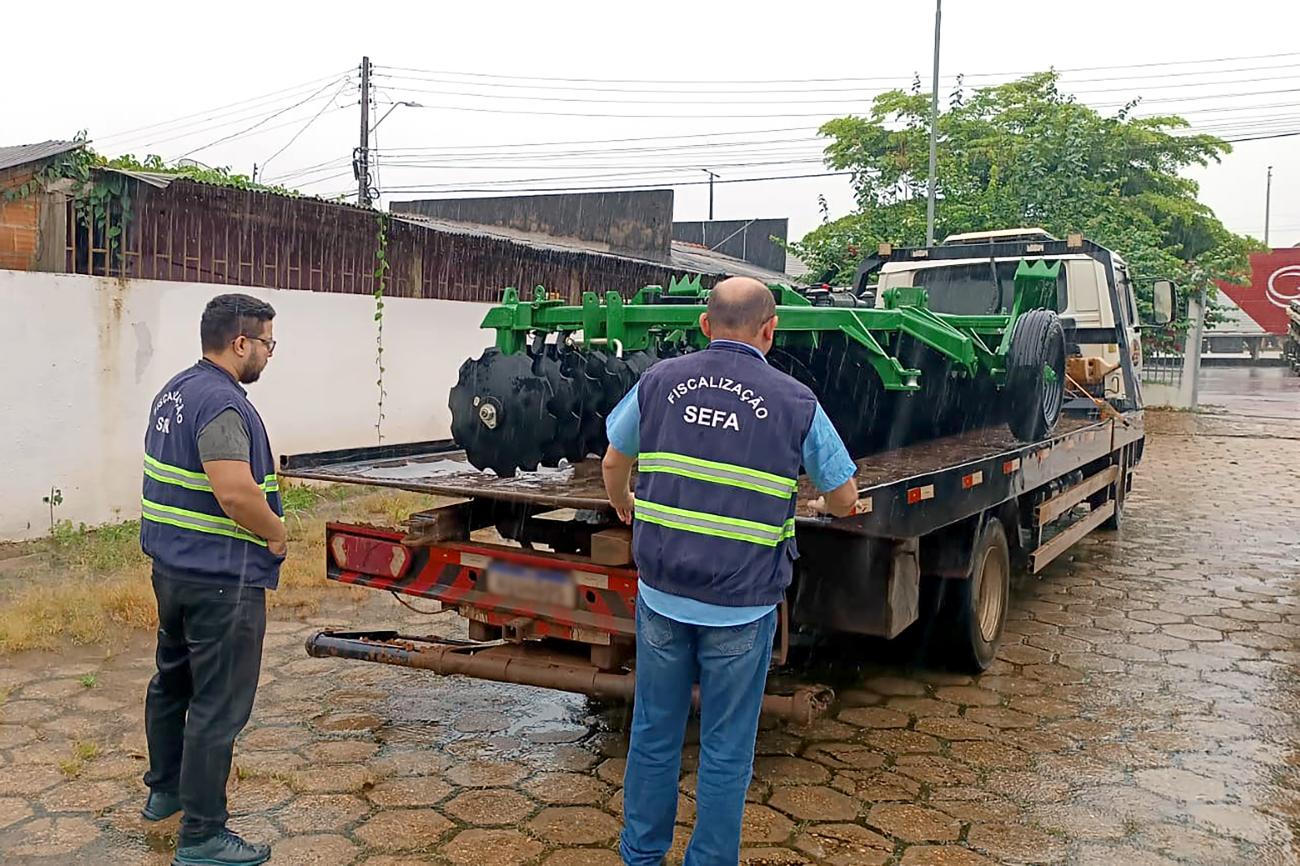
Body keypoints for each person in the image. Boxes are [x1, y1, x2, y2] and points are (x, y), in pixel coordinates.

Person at [602, 276, 860, 866]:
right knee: (725, 749)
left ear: (704, 324)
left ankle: (640, 856)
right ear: (771, 330)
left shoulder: (659, 382)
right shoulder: (796, 402)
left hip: (663, 595)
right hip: (743, 606)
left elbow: (615, 462)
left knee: (654, 733)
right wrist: (828, 505)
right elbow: (844, 497)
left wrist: (625, 502)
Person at [139, 293, 285, 866]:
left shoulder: (175, 391)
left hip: (173, 570)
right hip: (222, 578)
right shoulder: (222, 404)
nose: (270, 354)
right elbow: (234, 492)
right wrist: (276, 532)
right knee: (217, 707)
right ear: (240, 343)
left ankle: (166, 792)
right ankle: (202, 836)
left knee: (172, 683)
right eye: (267, 343)